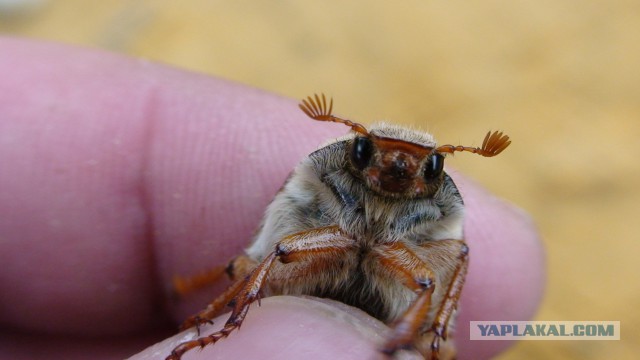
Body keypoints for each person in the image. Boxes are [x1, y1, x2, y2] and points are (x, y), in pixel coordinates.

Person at [0, 38, 545, 359]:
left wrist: (431, 334)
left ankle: (433, 333)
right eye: (374, 154)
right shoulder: (324, 172)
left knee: (447, 266)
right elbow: (274, 243)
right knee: (258, 261)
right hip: (300, 262)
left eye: (419, 163)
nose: (395, 167)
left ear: (435, 169)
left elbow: (452, 254)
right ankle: (223, 322)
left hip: (397, 287)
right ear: (354, 149)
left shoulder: (441, 205)